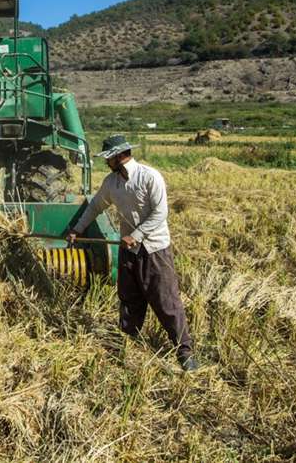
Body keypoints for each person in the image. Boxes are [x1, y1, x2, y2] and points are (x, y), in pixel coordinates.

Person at [66, 134, 199, 371]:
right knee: (129, 298)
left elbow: (160, 213)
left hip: (154, 250)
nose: (106, 162)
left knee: (166, 300)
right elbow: (95, 206)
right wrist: (77, 229)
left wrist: (136, 235)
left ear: (118, 157)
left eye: (108, 158)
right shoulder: (111, 183)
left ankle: (184, 352)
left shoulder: (150, 177)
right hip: (128, 250)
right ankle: (128, 342)